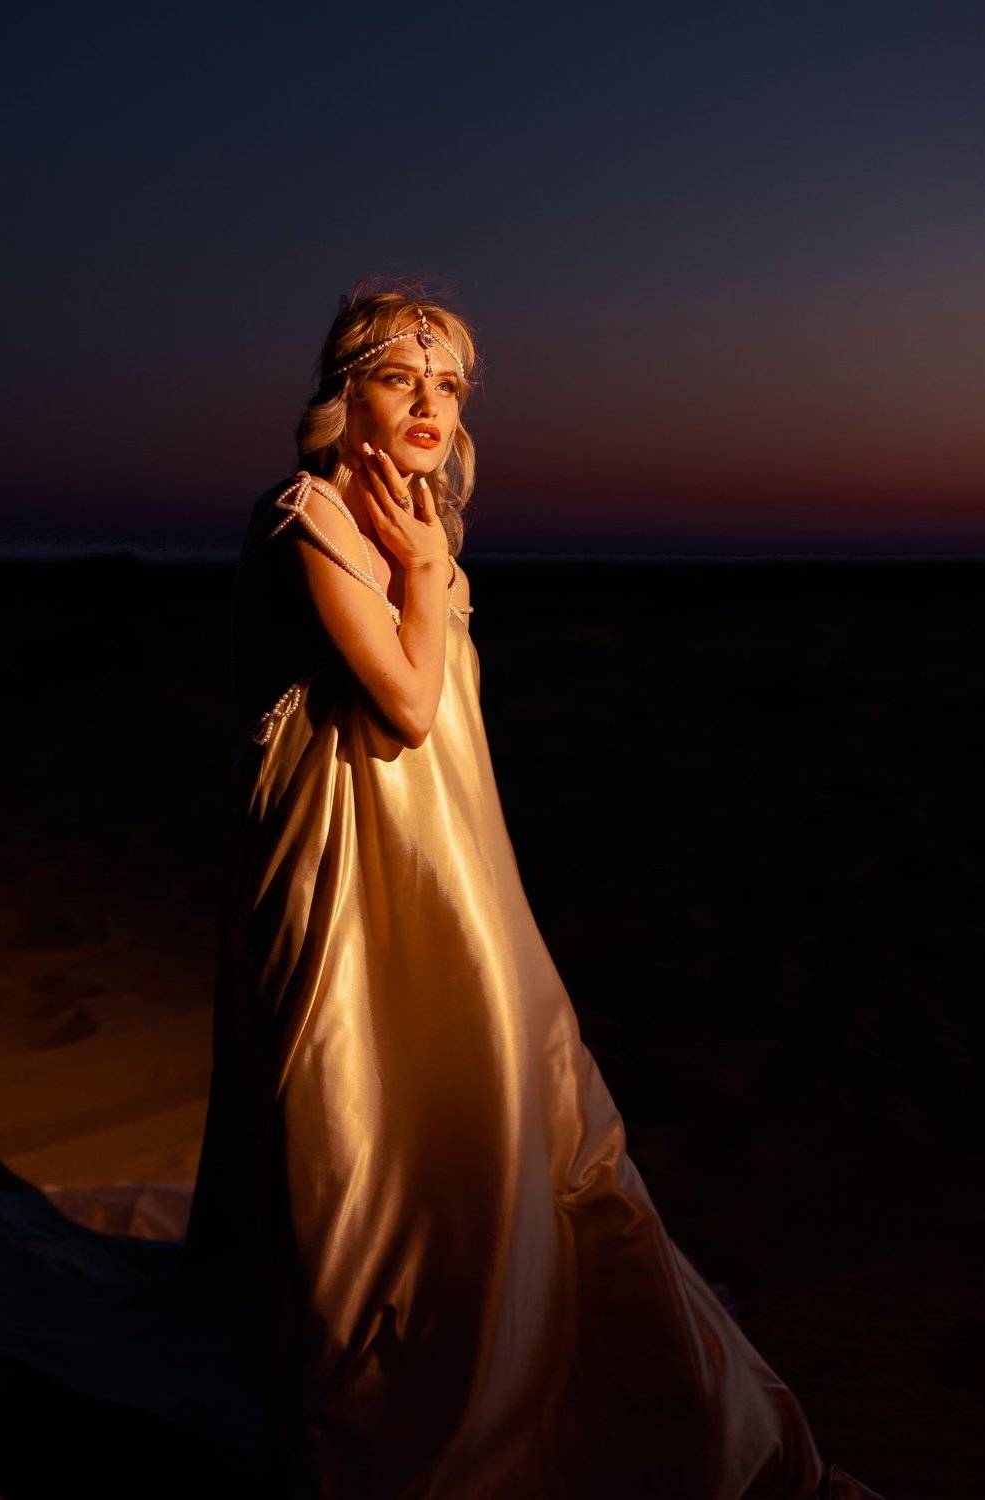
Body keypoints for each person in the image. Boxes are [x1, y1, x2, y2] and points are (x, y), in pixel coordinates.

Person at [180, 281, 887, 1499]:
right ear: (344, 394)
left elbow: (447, 728)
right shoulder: (305, 512)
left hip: (450, 853)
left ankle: (503, 1332)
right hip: (339, 848)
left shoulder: (423, 524)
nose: (429, 404)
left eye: (448, 385)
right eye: (399, 377)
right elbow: (406, 706)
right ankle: (378, 1380)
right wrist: (420, 569)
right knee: (357, 1104)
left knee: (501, 1081)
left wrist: (427, 560)